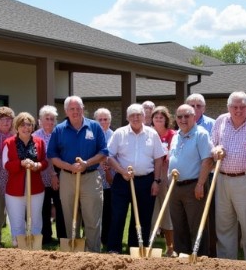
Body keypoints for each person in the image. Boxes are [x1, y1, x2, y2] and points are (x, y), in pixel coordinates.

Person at [211, 91, 246, 261]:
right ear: (228, 107)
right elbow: (212, 143)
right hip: (222, 178)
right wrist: (216, 151)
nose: (238, 110)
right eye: (234, 107)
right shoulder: (221, 120)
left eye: (242, 107)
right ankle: (227, 263)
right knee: (224, 224)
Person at [47, 95, 107, 252]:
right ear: (66, 111)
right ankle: (73, 253)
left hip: (91, 177)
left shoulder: (94, 127)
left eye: (78, 108)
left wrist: (87, 163)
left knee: (92, 218)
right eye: (72, 109)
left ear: (83, 109)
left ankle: (93, 253)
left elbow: (103, 152)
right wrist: (69, 166)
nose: (75, 111)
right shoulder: (59, 130)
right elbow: (52, 156)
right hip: (68, 178)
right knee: (70, 218)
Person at [106, 104, 166, 253]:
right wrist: (122, 171)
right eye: (132, 115)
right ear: (127, 118)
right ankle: (114, 249)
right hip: (122, 180)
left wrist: (156, 181)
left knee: (142, 217)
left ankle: (136, 249)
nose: (135, 117)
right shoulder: (119, 133)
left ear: (144, 117)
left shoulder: (152, 134)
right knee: (118, 215)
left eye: (138, 114)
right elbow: (109, 156)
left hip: (146, 181)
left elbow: (159, 158)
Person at [168, 104, 214, 256]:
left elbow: (207, 161)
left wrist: (200, 184)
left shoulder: (201, 134)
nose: (183, 119)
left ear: (194, 117)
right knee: (178, 224)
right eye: (179, 117)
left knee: (196, 224)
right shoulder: (176, 135)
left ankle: (199, 257)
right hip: (175, 186)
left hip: (193, 185)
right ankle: (181, 255)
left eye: (187, 116)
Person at [3, 112, 48, 247]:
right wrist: (20, 163)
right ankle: (19, 246)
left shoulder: (39, 142)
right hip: (14, 190)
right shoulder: (9, 143)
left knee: (35, 220)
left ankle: (34, 248)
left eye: (29, 125)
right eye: (22, 125)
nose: (26, 128)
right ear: (17, 127)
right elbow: (5, 165)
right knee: (17, 222)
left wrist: (37, 165)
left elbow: (44, 161)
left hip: (36, 188)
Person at [34, 105, 66, 245]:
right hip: (41, 177)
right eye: (46, 118)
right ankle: (46, 237)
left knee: (61, 207)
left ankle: (62, 237)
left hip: (60, 176)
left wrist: (55, 175)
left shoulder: (60, 134)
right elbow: (42, 158)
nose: (49, 121)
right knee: (43, 208)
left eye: (52, 119)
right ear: (40, 120)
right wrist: (51, 174)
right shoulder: (35, 136)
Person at [151, 105, 177, 257]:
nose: (158, 120)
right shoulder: (148, 134)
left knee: (167, 212)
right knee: (152, 212)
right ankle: (150, 246)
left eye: (161, 117)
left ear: (166, 119)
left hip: (167, 176)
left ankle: (171, 248)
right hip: (152, 177)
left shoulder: (172, 135)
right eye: (156, 117)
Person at [0, 106, 16, 246]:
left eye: (8, 119)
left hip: (14, 179)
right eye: (2, 119)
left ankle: (17, 240)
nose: (6, 122)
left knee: (16, 212)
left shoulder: (16, 136)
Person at [94, 107, 115, 249]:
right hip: (94, 177)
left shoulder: (115, 135)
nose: (103, 122)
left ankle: (106, 239)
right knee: (92, 210)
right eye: (100, 119)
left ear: (110, 121)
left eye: (105, 119)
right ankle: (91, 238)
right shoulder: (91, 134)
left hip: (110, 178)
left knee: (108, 210)